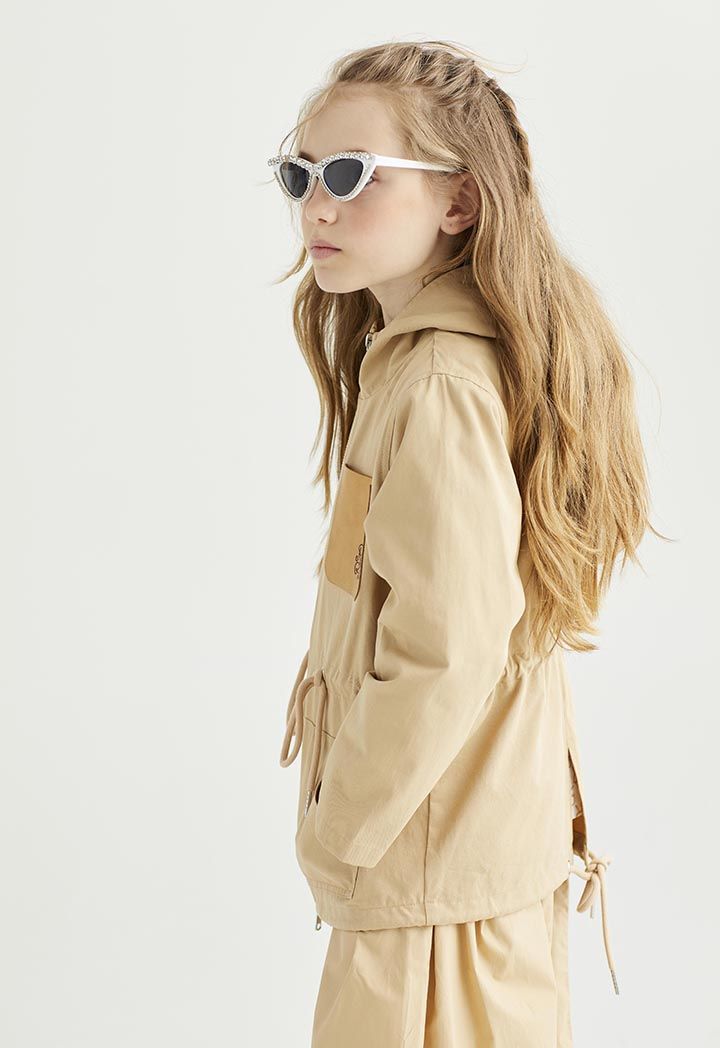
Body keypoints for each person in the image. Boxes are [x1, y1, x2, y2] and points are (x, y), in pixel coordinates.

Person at [268, 39, 665, 1047]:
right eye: (300, 175)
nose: (317, 207)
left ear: (460, 200)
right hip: (449, 864)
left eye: (351, 174)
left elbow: (448, 651)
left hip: (429, 893)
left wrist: (338, 838)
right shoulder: (416, 364)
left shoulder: (439, 385)